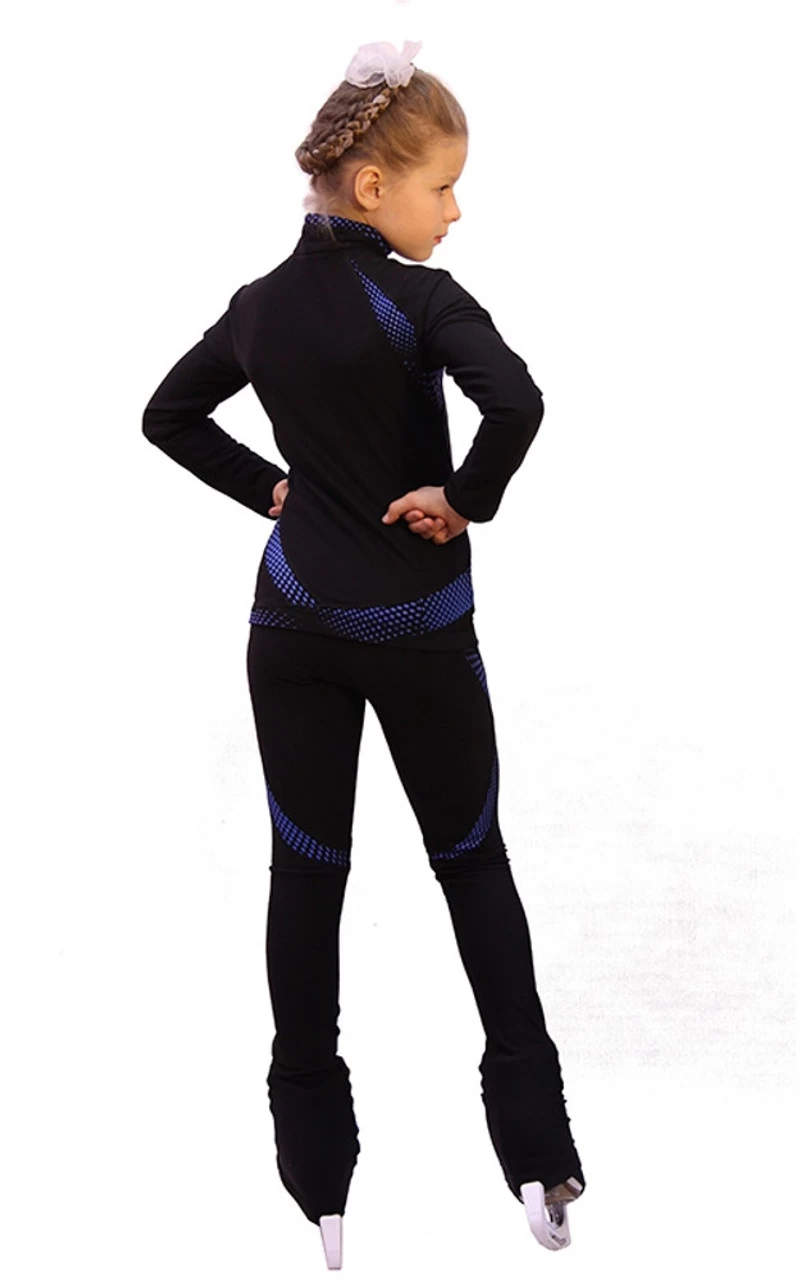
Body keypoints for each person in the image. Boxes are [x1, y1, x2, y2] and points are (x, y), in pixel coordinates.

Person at [142, 37, 586, 1265]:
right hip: (416, 628)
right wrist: (462, 497)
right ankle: (538, 1153)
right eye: (443, 186)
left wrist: (271, 490)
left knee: (306, 874)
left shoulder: (257, 307)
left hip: (289, 621)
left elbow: (168, 414)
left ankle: (315, 1170)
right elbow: (516, 401)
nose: (455, 211)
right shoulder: (420, 298)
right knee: (471, 863)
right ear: (375, 185)